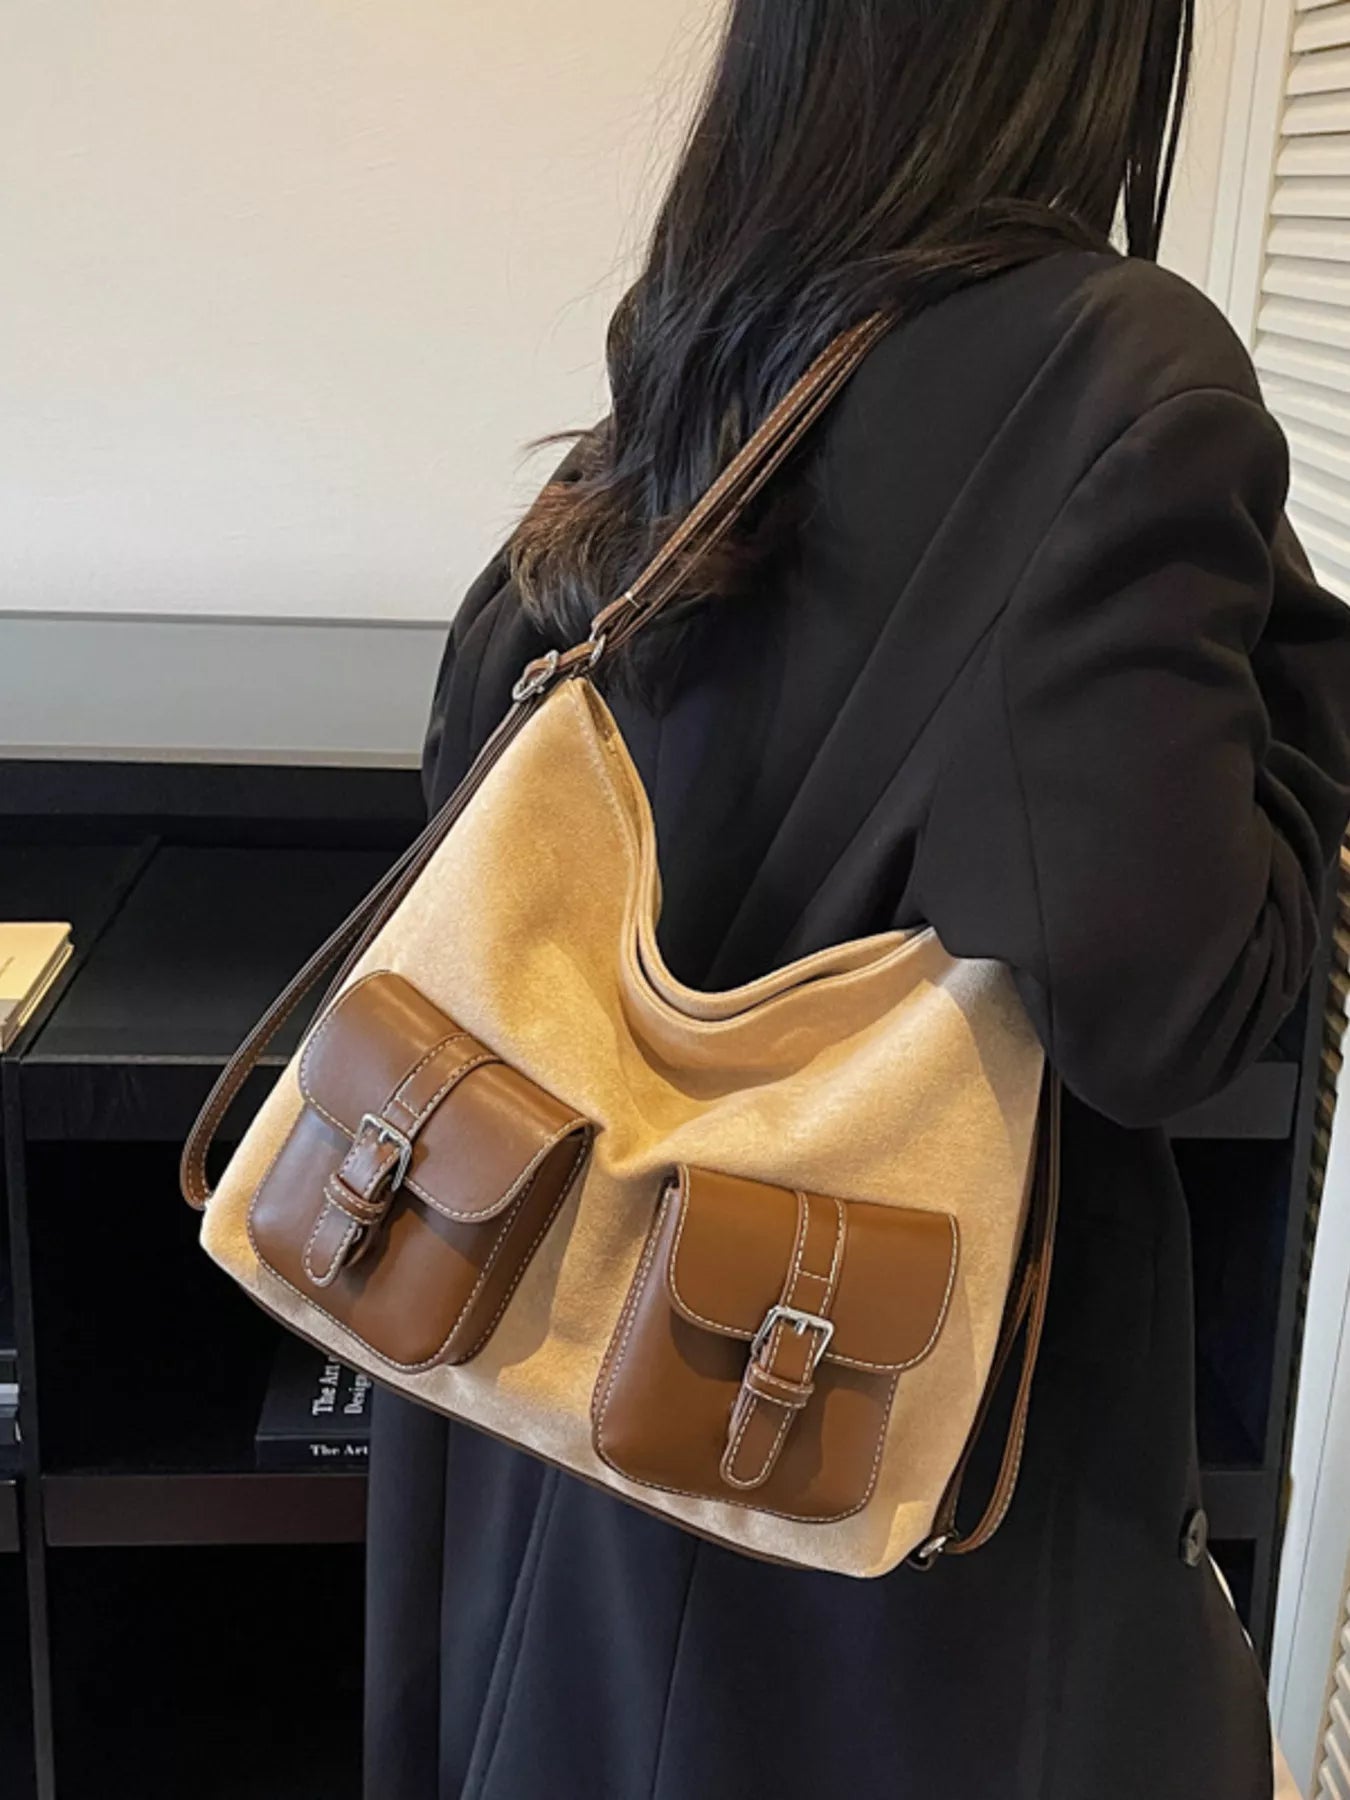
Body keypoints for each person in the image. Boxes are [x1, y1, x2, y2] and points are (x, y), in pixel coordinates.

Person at [364, 1, 1350, 1795]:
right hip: (880, 1490)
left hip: (569, 1427)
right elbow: (1172, 1007)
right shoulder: (1119, 370)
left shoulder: (702, 335)